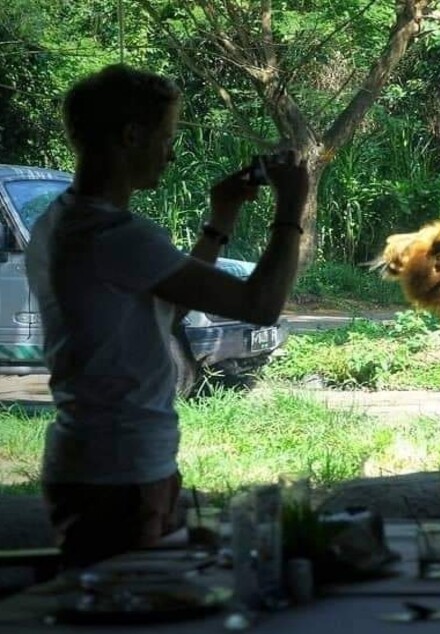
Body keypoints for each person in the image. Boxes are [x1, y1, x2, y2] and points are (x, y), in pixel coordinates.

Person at [25, 64, 309, 567]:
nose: (172, 152)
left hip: (104, 460)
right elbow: (260, 306)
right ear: (131, 136)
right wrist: (291, 210)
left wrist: (221, 217)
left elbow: (174, 304)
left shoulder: (62, 220)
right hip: (119, 469)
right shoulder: (113, 234)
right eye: (166, 137)